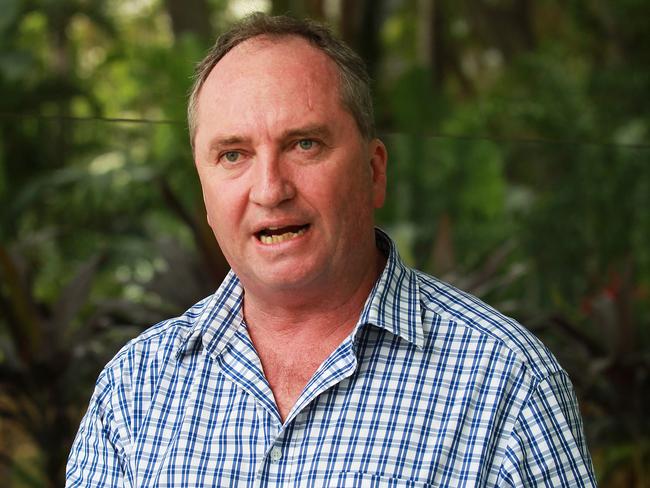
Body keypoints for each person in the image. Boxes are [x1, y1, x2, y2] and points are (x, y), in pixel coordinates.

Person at [66, 13, 597, 487]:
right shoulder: (136, 389)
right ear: (203, 189)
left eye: (305, 145)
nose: (270, 189)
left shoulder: (507, 383)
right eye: (233, 154)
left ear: (373, 171)